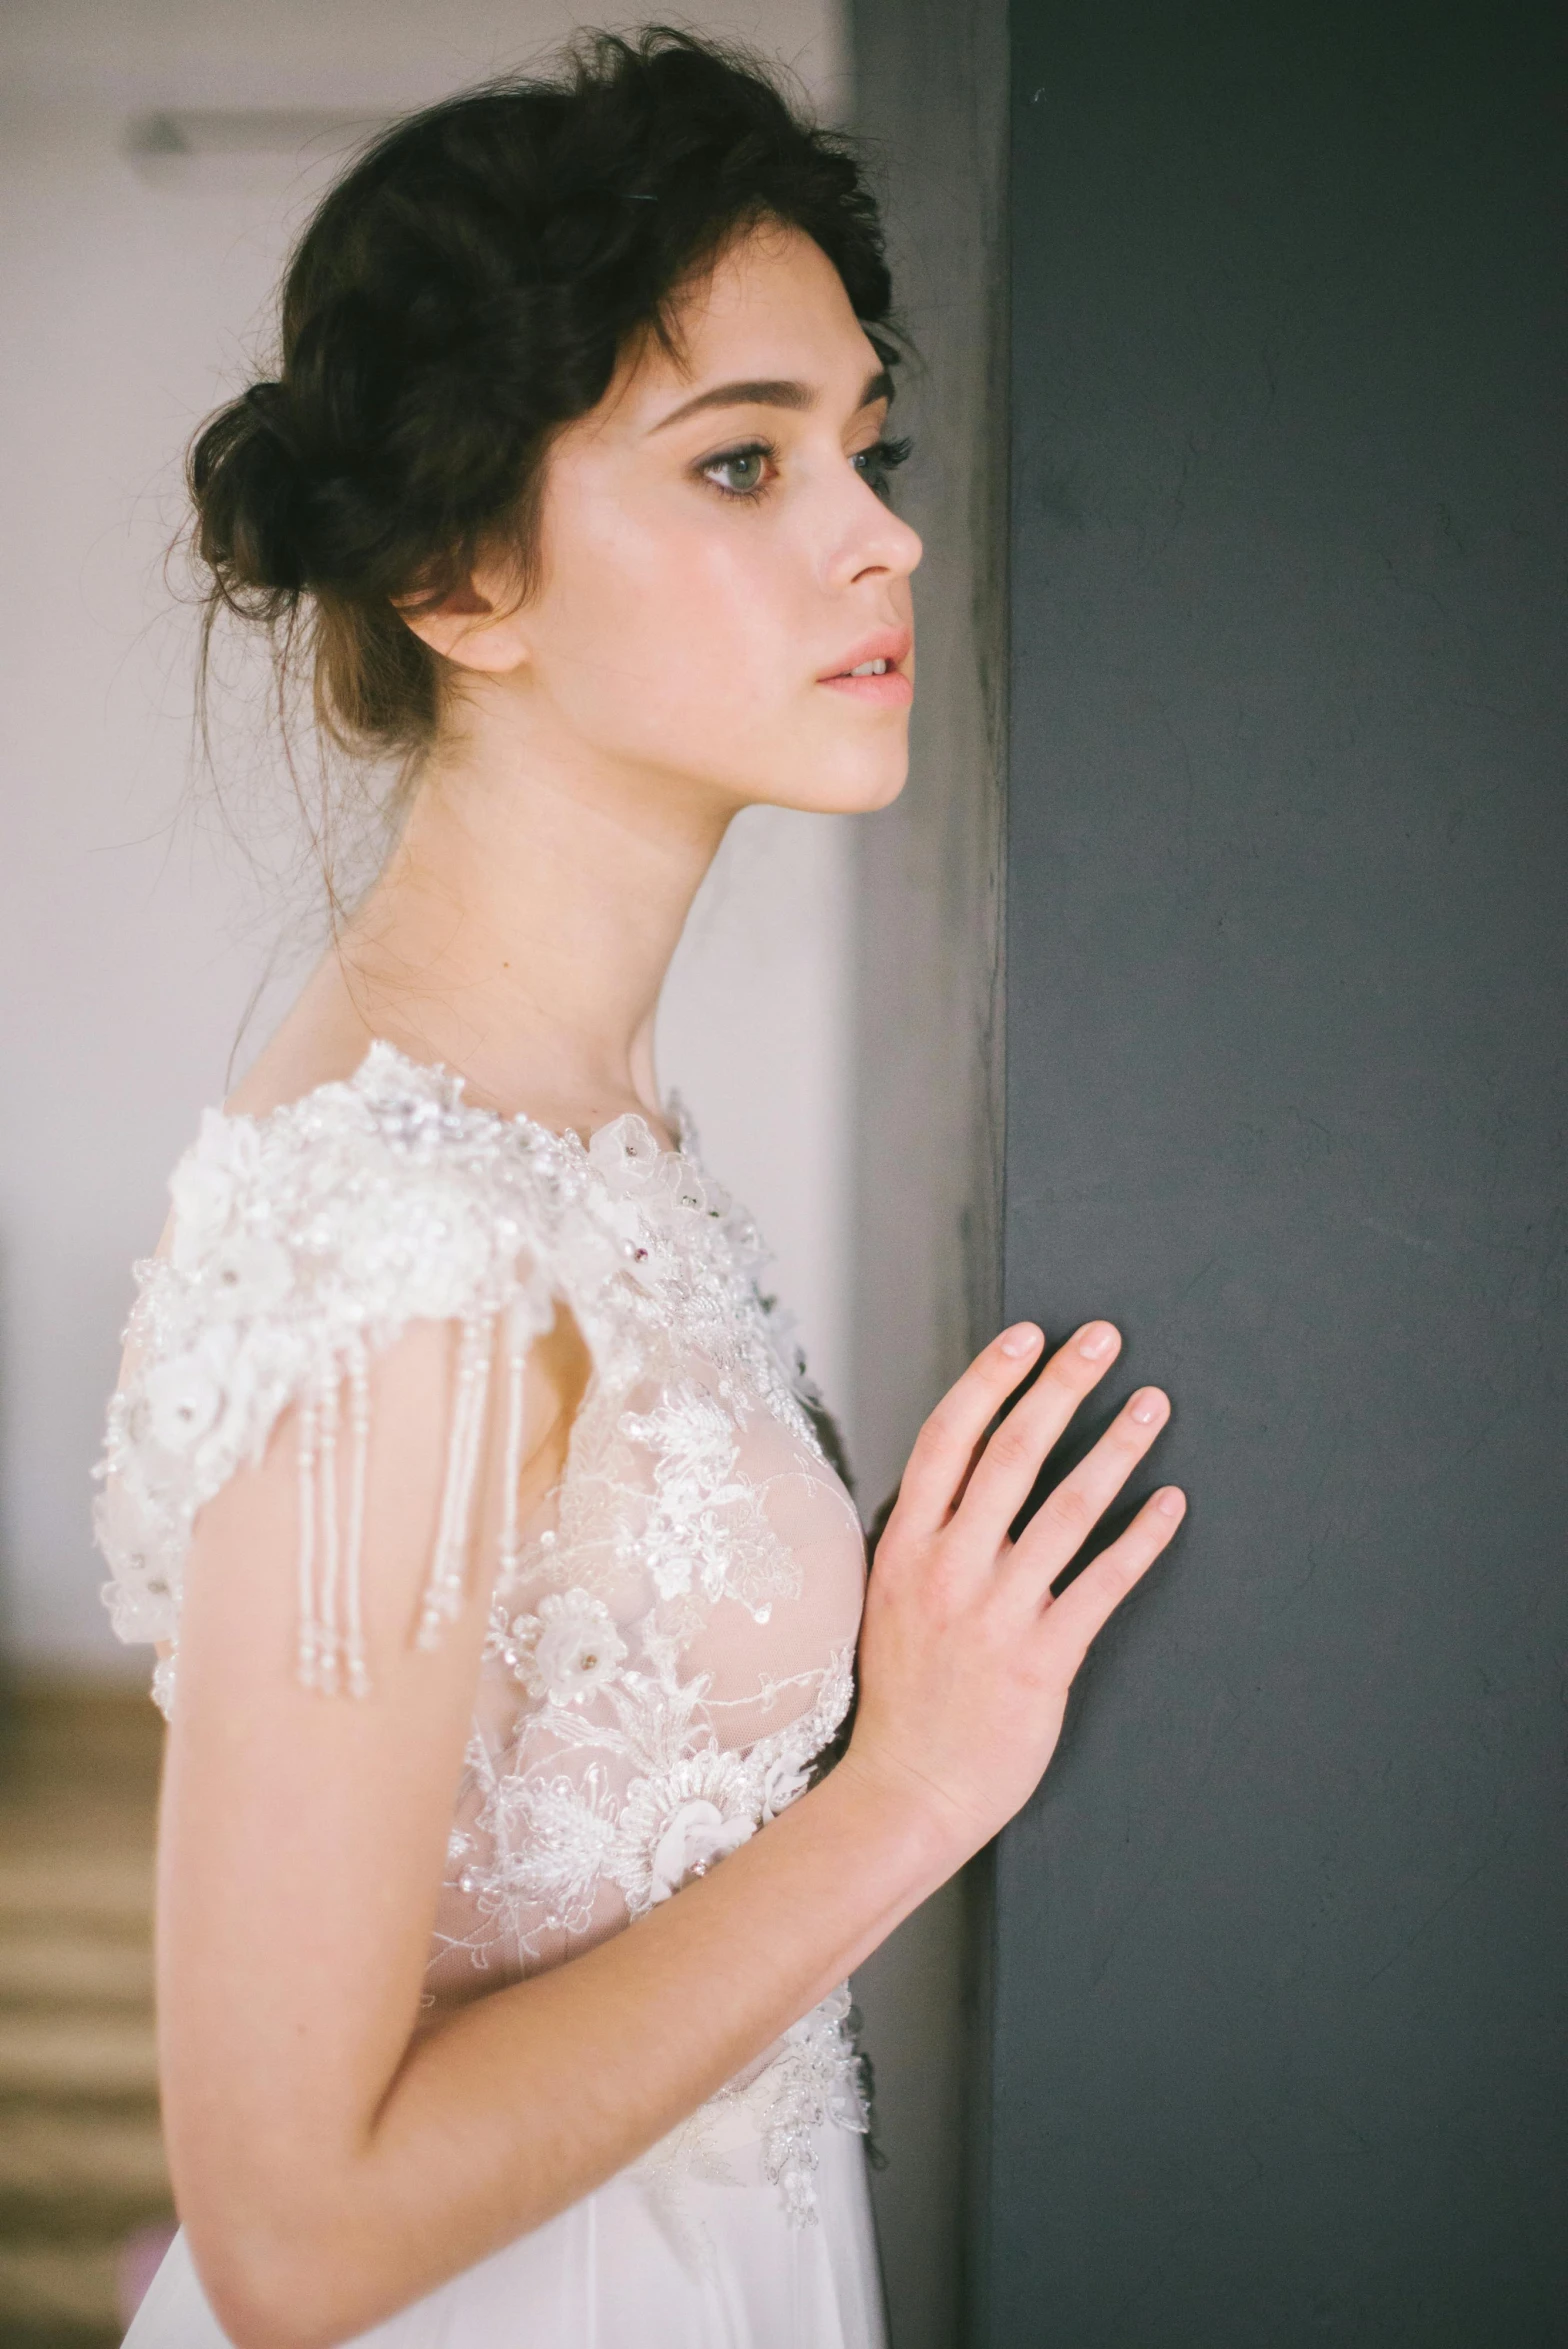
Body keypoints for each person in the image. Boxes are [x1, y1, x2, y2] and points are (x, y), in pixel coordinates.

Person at [93, 29, 1184, 2348]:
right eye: (741, 461)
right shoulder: (410, 1245)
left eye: (858, 449)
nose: (880, 530)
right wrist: (911, 1787)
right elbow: (288, 2235)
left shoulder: (586, 1120)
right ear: (461, 573)